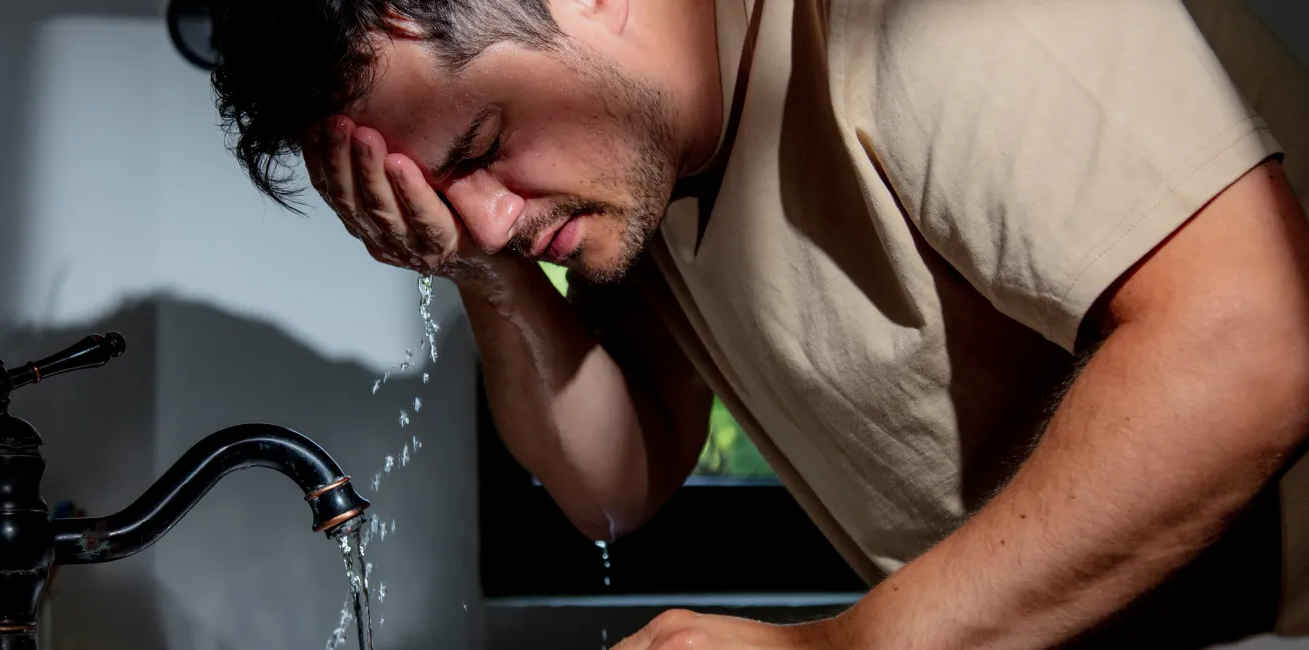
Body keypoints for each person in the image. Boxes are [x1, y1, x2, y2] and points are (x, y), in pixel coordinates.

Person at [209, 0, 1309, 647]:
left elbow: (1252, 346)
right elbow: (612, 485)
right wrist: (470, 265)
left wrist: (843, 649)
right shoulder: (634, 160)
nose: (489, 213)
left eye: (482, 145)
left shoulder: (933, 22)